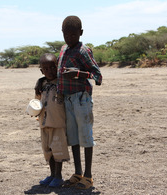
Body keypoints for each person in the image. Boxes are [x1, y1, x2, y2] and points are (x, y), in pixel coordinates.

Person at [58, 15, 102, 190]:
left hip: (81, 99)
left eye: (73, 35)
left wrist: (78, 73)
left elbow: (97, 76)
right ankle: (78, 173)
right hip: (67, 99)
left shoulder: (84, 51)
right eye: (66, 35)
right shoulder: (63, 50)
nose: (69, 38)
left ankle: (88, 176)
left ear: (81, 33)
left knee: (86, 136)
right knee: (74, 137)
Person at [34, 53, 70, 188]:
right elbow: (36, 101)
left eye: (52, 67)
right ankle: (52, 174)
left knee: (57, 150)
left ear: (58, 67)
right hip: (44, 123)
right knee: (48, 150)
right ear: (42, 71)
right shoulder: (41, 83)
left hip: (58, 123)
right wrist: (35, 111)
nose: (50, 71)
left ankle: (59, 176)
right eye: (46, 69)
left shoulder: (62, 82)